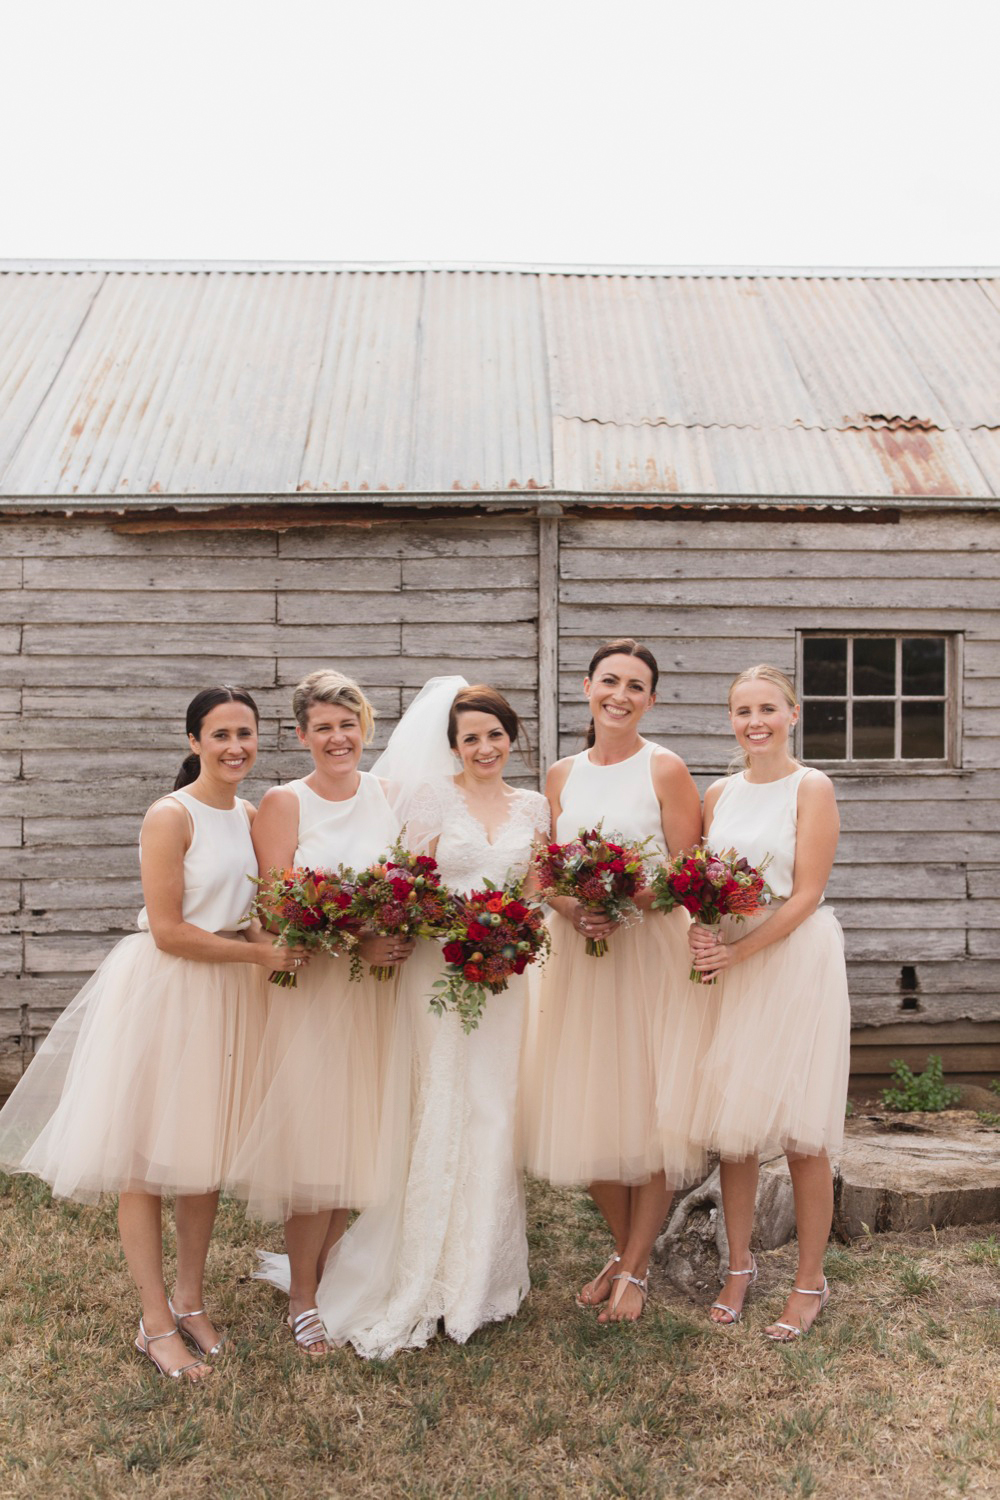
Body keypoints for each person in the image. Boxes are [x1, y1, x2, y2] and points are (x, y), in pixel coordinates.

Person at [0, 686, 302, 1380]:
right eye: (220, 734)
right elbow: (168, 931)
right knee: (144, 1164)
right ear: (193, 740)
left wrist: (292, 944)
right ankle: (155, 1320)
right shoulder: (171, 816)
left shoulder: (252, 815)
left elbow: (252, 913)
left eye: (246, 734)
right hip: (170, 990)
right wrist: (259, 954)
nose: (235, 747)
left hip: (231, 992)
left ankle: (192, 1300)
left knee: (204, 1153)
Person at [259, 678, 551, 1358]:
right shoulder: (427, 799)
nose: (484, 747)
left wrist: (509, 934)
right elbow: (409, 885)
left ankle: (482, 1279)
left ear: (513, 739)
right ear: (453, 745)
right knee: (438, 1103)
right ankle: (420, 1271)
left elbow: (534, 893)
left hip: (503, 976)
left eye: (495, 735)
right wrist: (455, 928)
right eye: (471, 737)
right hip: (435, 972)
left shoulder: (534, 806)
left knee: (493, 1110)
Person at [226, 670, 411, 1357]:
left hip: (377, 994)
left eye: (348, 723)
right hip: (316, 992)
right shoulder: (283, 802)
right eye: (323, 727)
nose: (338, 738)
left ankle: (326, 1274)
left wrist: (399, 927)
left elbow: (408, 885)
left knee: (354, 1138)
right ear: (302, 736)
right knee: (315, 1143)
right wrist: (356, 933)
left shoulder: (389, 796)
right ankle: (303, 1297)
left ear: (366, 728)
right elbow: (275, 904)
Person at [523, 639, 705, 1322]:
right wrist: (574, 908)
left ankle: (632, 1268)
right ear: (586, 687)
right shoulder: (561, 774)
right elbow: (545, 869)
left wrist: (627, 903)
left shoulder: (666, 768)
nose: (620, 696)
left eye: (635, 686)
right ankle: (629, 1249)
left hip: (648, 951)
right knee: (588, 1103)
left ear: (650, 700)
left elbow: (687, 872)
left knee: (649, 1107)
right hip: (580, 957)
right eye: (609, 681)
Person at [687, 665, 850, 1340]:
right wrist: (699, 923)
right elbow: (697, 879)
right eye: (741, 710)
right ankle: (739, 1264)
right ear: (730, 719)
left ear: (793, 713)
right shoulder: (718, 792)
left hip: (791, 961)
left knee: (803, 1135)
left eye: (766, 709)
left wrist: (742, 951)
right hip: (729, 962)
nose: (754, 721)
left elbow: (807, 891)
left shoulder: (811, 786)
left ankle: (810, 1280)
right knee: (736, 1131)